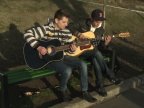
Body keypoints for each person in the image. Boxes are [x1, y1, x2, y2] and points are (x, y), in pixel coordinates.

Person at [24, 9, 96, 102]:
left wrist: (72, 49)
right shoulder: (46, 29)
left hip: (62, 55)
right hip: (47, 59)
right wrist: (38, 47)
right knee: (67, 70)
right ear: (56, 20)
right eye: (64, 22)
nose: (66, 24)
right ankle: (62, 90)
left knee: (83, 65)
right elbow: (27, 34)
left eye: (67, 22)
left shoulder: (66, 32)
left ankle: (85, 92)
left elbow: (68, 48)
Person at [68, 9, 122, 97]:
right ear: (91, 18)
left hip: (91, 52)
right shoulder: (83, 23)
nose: (98, 23)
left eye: (100, 21)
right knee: (96, 54)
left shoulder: (101, 30)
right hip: (77, 51)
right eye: (97, 21)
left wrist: (106, 43)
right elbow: (69, 26)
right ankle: (109, 76)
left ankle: (100, 86)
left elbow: (100, 47)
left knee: (95, 57)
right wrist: (78, 34)